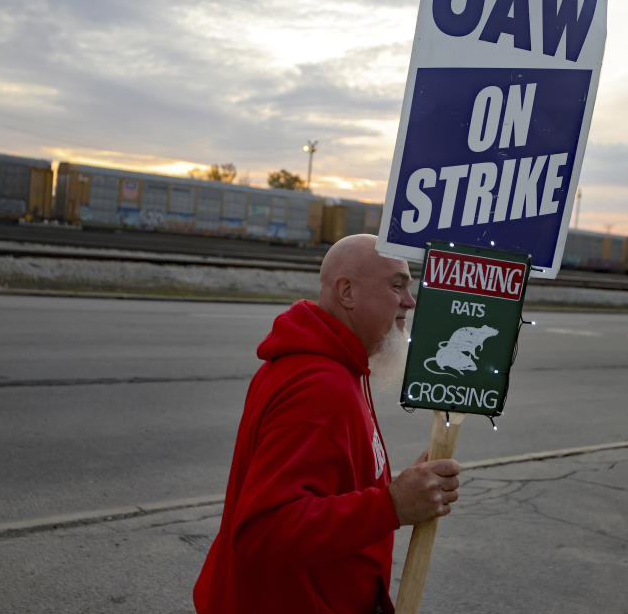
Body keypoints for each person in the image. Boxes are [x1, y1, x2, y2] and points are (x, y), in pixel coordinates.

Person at [194, 234, 461, 613]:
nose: (410, 300)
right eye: (396, 285)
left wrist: (401, 488)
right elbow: (264, 531)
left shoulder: (338, 365)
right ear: (347, 292)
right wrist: (391, 504)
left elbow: (328, 483)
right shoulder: (319, 386)